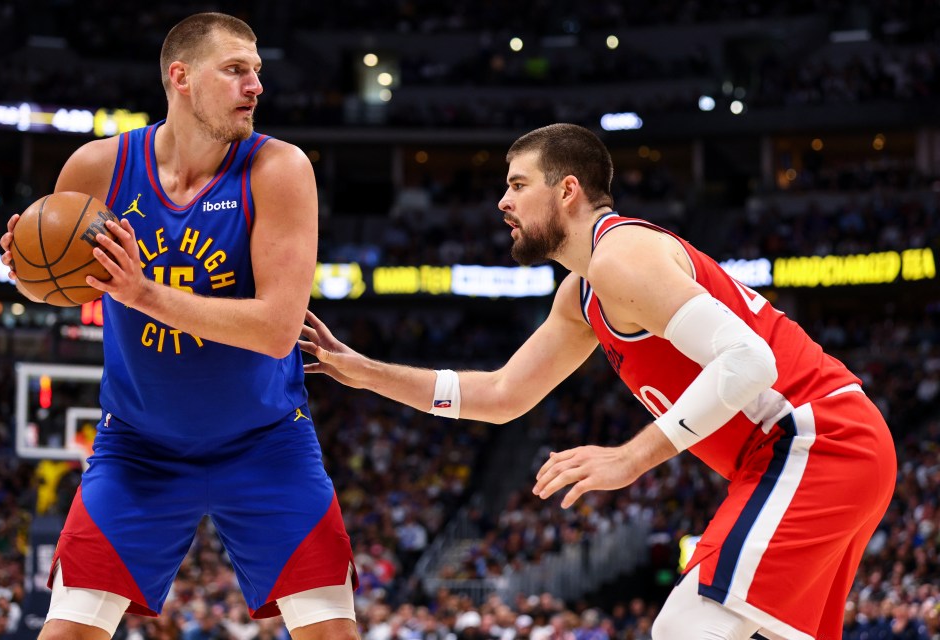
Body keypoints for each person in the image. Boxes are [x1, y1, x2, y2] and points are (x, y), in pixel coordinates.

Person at [298, 123, 897, 640]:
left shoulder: (622, 256)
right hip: (802, 452)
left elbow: (750, 363)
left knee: (689, 627)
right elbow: (502, 397)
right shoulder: (582, 293)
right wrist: (366, 372)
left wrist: (631, 458)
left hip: (816, 440)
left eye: (517, 185)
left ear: (567, 191)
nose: (501, 203)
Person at [0, 13, 359, 640]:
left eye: (257, 72)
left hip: (266, 443)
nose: (255, 86)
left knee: (330, 632)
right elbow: (70, 284)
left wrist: (144, 293)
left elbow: (278, 330)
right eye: (236, 70)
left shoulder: (280, 170)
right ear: (181, 76)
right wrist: (29, 269)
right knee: (66, 632)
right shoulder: (95, 168)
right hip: (138, 446)